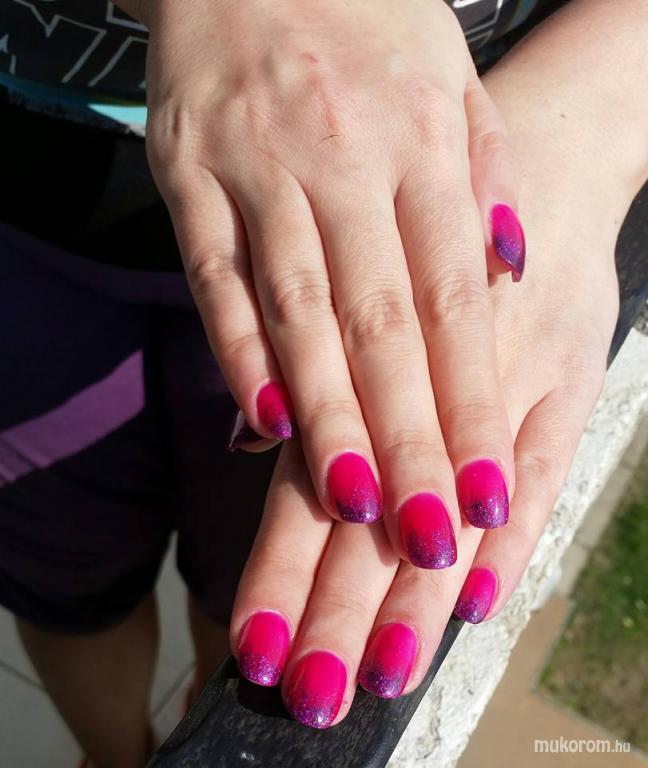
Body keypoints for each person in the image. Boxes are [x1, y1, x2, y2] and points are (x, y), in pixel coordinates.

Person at [0, 0, 646, 764]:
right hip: (25, 171)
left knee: (257, 567)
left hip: (411, 156)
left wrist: (594, 104)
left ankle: (196, 698)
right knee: (61, 576)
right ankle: (111, 756)